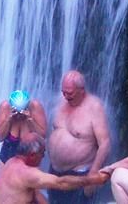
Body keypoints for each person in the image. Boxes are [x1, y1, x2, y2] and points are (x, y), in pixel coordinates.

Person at [48, 70, 112, 203]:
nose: (65, 96)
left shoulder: (94, 107)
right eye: (63, 92)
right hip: (54, 173)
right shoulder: (61, 101)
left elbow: (105, 143)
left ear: (81, 90)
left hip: (79, 175)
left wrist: (93, 175)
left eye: (69, 93)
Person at [0, 137, 110, 204]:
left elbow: (36, 195)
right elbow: (61, 182)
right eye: (42, 153)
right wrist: (93, 180)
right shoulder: (28, 174)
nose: (43, 157)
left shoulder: (10, 162)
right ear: (32, 155)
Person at [0, 89, 48, 169]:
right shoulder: (5, 107)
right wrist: (8, 120)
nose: (19, 115)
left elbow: (42, 136)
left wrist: (30, 120)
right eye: (16, 112)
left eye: (21, 111)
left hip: (30, 157)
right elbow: (0, 137)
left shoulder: (35, 107)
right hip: (8, 153)